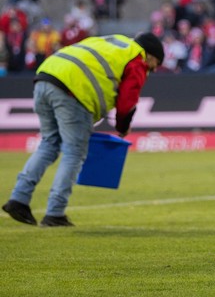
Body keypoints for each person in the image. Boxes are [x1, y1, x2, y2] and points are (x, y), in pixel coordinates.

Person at [2, 33, 163, 227]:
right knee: (73, 152)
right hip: (73, 90)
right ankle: (55, 213)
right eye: (155, 64)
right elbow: (127, 100)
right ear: (151, 55)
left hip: (45, 77)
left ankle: (18, 199)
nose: (153, 69)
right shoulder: (137, 58)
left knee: (49, 144)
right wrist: (123, 126)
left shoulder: (111, 41)